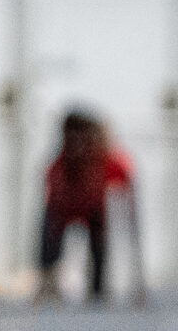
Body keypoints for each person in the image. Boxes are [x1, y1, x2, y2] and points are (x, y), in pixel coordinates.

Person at [38, 109, 137, 302]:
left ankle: (97, 288)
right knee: (50, 231)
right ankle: (48, 279)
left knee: (99, 242)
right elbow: (50, 184)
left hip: (93, 210)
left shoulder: (104, 159)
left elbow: (124, 173)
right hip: (62, 209)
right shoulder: (61, 163)